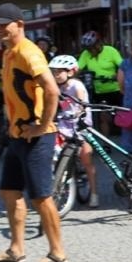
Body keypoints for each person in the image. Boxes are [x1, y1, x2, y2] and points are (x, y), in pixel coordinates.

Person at [0, 3, 70, 262]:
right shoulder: (9, 53)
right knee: (9, 191)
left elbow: (52, 90)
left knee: (41, 197)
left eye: (2, 25)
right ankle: (15, 250)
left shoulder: (30, 53)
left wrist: (43, 126)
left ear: (19, 24)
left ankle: (57, 254)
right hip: (18, 135)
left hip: (36, 137)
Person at [49, 55, 99, 207]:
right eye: (54, 72)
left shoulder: (76, 85)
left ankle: (94, 192)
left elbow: (82, 103)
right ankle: (57, 184)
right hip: (63, 125)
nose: (56, 75)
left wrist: (79, 111)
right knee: (53, 154)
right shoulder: (54, 86)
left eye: (59, 72)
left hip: (80, 125)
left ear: (70, 72)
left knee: (86, 158)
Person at [76, 30, 125, 136]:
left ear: (99, 44)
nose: (90, 51)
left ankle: (125, 141)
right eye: (88, 49)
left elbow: (123, 66)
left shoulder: (110, 51)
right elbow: (76, 69)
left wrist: (117, 75)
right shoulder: (86, 54)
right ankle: (106, 144)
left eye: (92, 48)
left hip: (116, 89)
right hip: (100, 91)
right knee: (104, 117)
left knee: (122, 117)